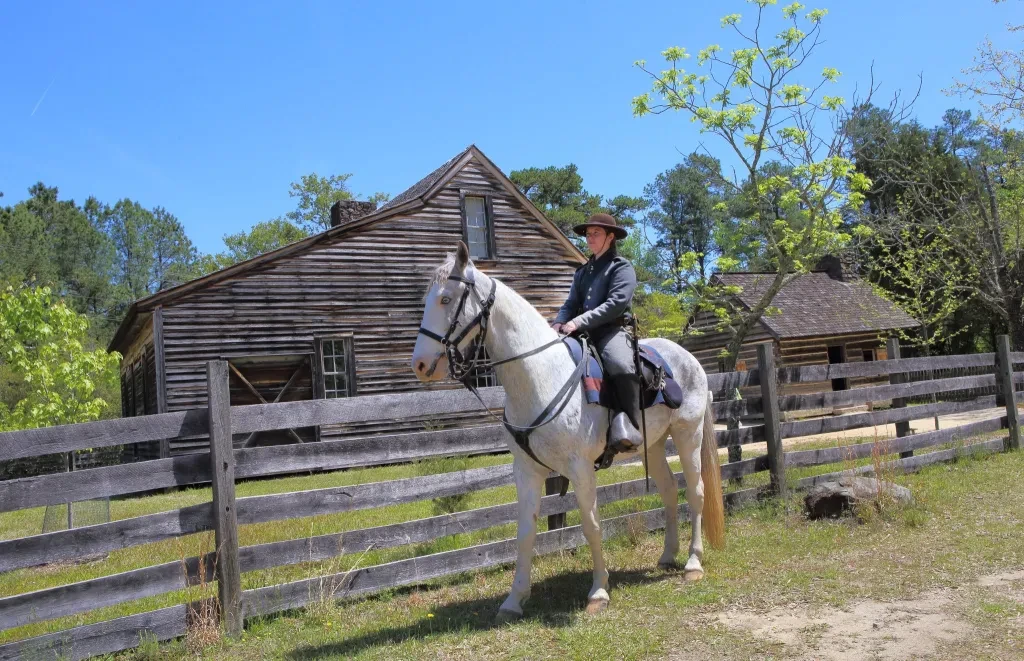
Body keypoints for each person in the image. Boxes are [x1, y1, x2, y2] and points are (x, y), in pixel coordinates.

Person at [552, 213, 642, 452]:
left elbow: (616, 304)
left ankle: (630, 427)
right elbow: (570, 303)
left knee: (620, 364)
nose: (590, 238)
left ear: (610, 237)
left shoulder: (621, 267)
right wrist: (558, 323)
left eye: (596, 233)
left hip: (611, 331)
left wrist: (578, 321)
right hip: (581, 333)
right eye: (588, 234)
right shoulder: (582, 272)